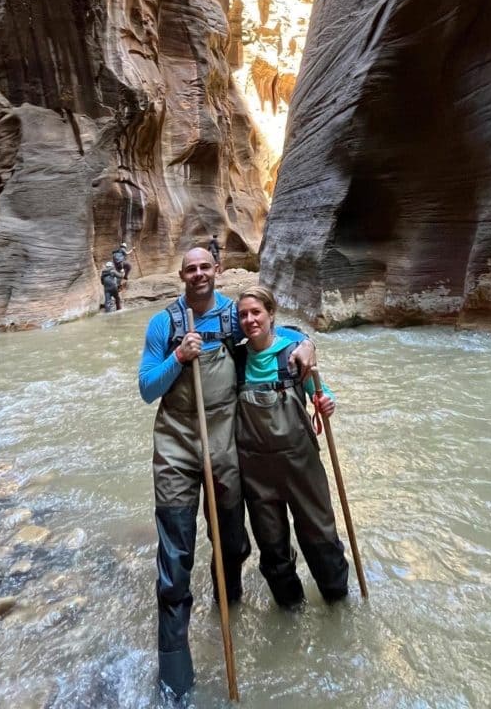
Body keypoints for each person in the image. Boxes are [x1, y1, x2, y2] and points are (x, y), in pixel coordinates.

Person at [138, 248, 315, 702]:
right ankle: (175, 673)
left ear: (216, 272)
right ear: (182, 275)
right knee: (175, 558)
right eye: (190, 269)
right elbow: (146, 388)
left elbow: (273, 332)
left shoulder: (232, 318)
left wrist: (305, 341)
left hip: (224, 439)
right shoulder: (164, 324)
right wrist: (178, 356)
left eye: (204, 267)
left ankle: (227, 612)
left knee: (232, 543)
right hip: (176, 443)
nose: (198, 274)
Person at [236, 286, 349, 609]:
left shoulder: (294, 354)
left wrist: (327, 403)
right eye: (243, 314)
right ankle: (290, 610)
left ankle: (337, 603)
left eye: (256, 312)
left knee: (320, 537)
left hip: (301, 465)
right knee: (272, 548)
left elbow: (321, 392)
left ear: (271, 315)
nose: (249, 319)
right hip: (256, 472)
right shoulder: (237, 359)